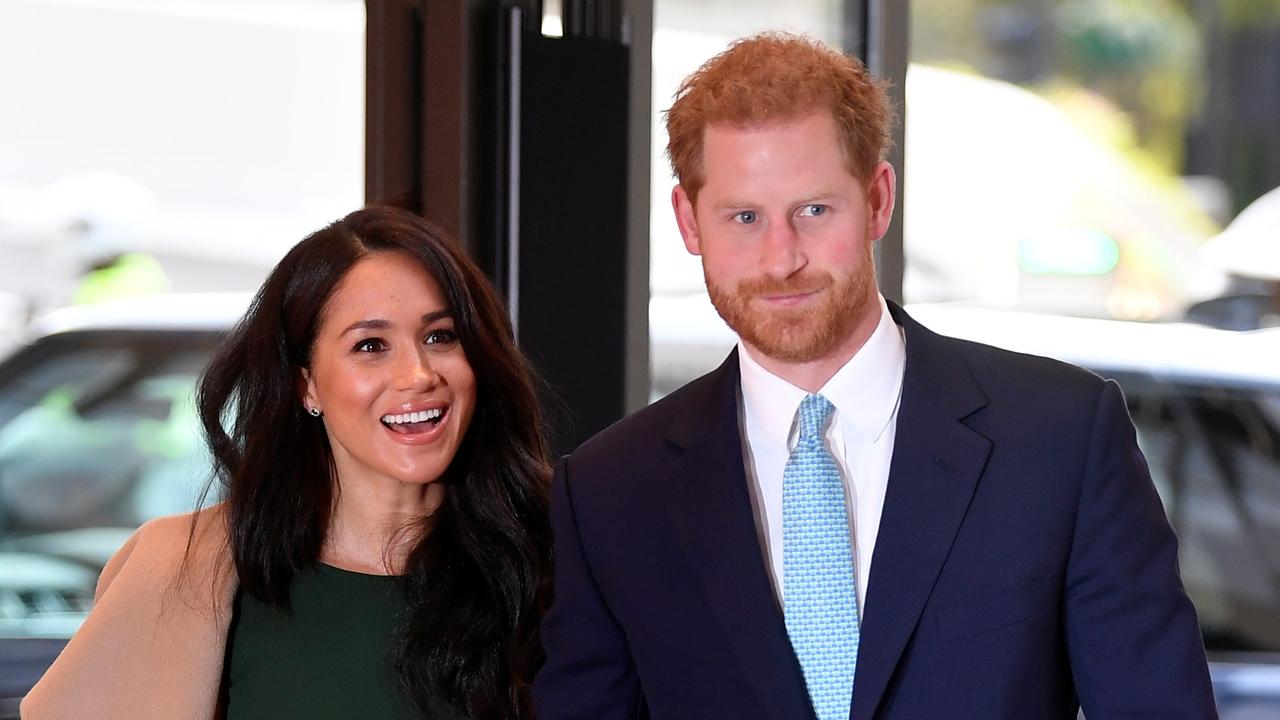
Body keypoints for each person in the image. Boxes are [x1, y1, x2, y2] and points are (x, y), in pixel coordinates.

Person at [534, 32, 1217, 720]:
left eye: (813, 211)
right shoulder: (610, 494)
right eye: (744, 217)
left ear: (879, 199)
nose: (781, 259)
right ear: (689, 221)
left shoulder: (1060, 440)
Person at [22, 206, 552, 719]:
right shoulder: (191, 570)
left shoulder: (555, 554)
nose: (417, 375)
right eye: (371, 345)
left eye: (441, 336)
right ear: (308, 384)